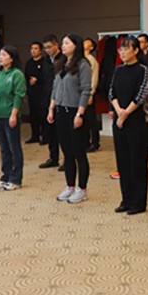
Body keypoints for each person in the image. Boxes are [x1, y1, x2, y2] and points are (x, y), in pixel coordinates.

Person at [110, 36, 148, 215]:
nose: (122, 52)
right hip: (119, 120)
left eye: (126, 49)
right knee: (123, 162)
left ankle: (138, 203)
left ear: (136, 50)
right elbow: (112, 92)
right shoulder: (118, 70)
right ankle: (126, 200)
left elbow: (142, 93)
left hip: (136, 121)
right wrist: (119, 111)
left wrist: (126, 113)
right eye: (120, 49)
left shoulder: (142, 70)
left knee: (137, 162)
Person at [49, 34, 93, 203]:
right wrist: (51, 109)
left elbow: (86, 90)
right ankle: (70, 186)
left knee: (79, 152)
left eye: (67, 43)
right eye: (63, 43)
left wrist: (80, 114)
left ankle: (82, 189)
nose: (63, 45)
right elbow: (55, 88)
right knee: (67, 152)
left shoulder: (83, 65)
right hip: (61, 110)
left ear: (76, 45)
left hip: (75, 111)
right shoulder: (61, 64)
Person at [0, 45, 26, 190]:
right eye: (0, 55)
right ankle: (6, 175)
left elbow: (19, 96)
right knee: (4, 148)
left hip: (10, 115)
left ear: (12, 58)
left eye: (4, 55)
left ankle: (16, 178)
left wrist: (14, 114)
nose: (1, 57)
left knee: (13, 147)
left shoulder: (17, 74)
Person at [38, 35, 62, 169]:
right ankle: (53, 157)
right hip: (47, 97)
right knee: (50, 131)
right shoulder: (46, 61)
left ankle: (68, 159)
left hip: (61, 99)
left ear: (56, 45)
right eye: (45, 48)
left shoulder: (63, 59)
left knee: (62, 132)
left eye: (49, 47)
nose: (47, 50)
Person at [24, 41, 48, 144]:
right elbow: (26, 76)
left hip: (42, 92)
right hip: (32, 92)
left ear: (41, 50)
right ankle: (35, 135)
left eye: (36, 48)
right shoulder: (29, 62)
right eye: (32, 48)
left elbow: (47, 76)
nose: (33, 51)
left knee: (43, 114)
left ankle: (45, 136)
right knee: (33, 115)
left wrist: (37, 79)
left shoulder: (45, 62)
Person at [84, 37, 103, 152]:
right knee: (84, 119)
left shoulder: (92, 60)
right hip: (80, 94)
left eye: (87, 43)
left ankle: (95, 143)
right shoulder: (80, 59)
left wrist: (91, 93)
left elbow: (94, 78)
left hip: (89, 93)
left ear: (91, 47)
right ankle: (85, 142)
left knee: (91, 120)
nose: (84, 43)